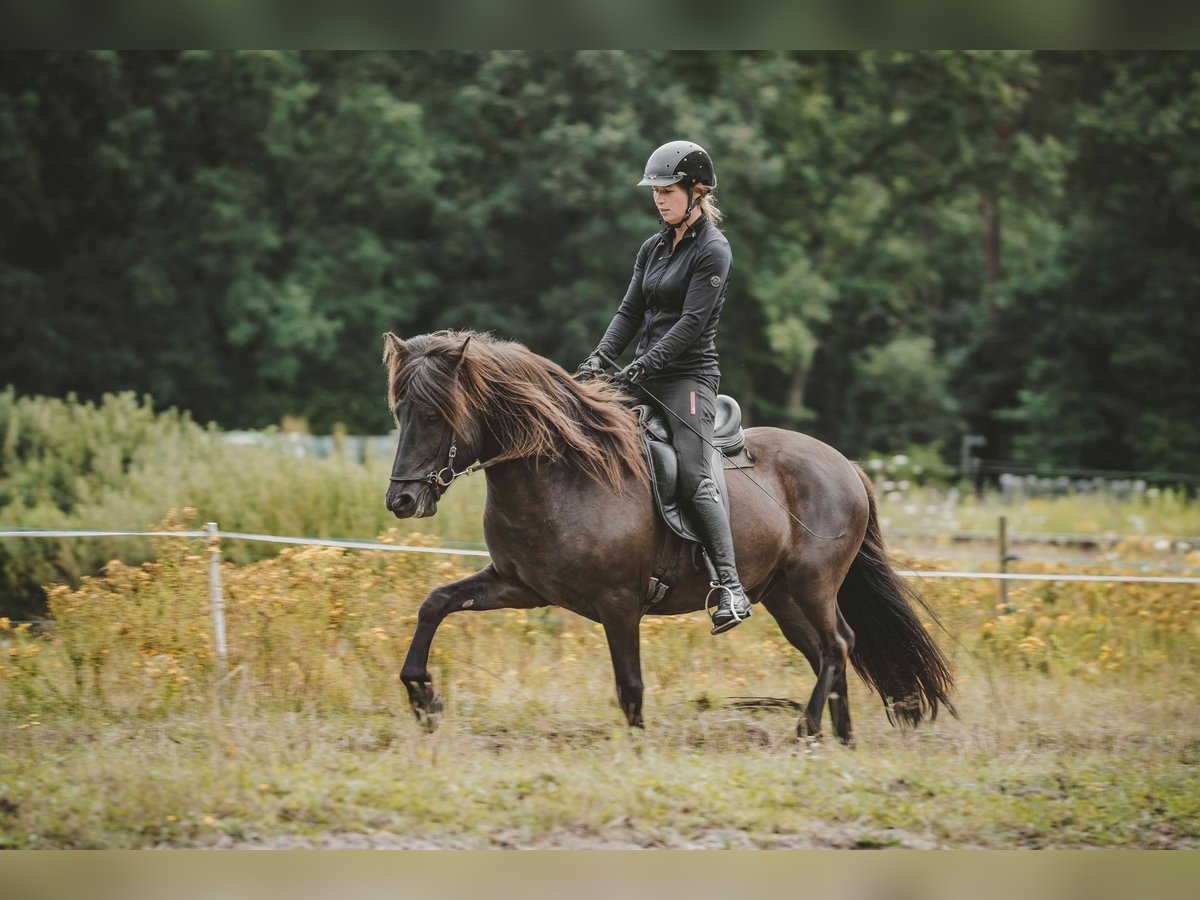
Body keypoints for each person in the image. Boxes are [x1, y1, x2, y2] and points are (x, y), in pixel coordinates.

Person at [576, 140, 752, 635]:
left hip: (688, 378)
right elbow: (628, 313)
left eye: (668, 190)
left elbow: (690, 326)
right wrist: (598, 361)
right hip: (643, 373)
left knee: (694, 474)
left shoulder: (714, 250)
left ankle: (731, 587)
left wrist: (638, 368)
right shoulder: (652, 249)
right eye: (655, 191)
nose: (659, 199)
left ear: (696, 193)